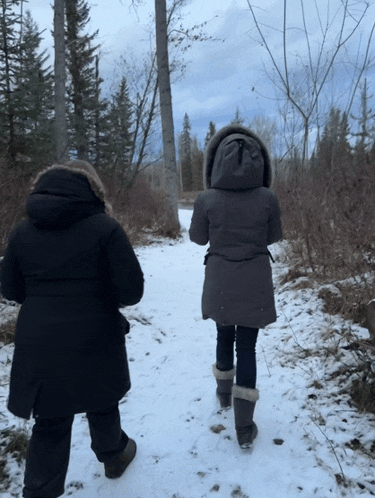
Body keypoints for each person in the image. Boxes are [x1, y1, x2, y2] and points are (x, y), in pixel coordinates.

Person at [0, 160, 144, 498]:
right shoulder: (105, 229)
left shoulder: (21, 232)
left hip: (41, 339)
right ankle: (114, 455)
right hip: (96, 333)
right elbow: (132, 291)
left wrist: (41, 298)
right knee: (103, 399)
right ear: (92, 191)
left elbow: (10, 289)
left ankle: (40, 491)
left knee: (50, 422)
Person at [189, 125, 282, 449]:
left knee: (223, 335)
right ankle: (244, 427)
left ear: (215, 163)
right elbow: (273, 236)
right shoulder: (268, 198)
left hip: (220, 279)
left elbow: (198, 238)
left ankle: (224, 396)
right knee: (247, 347)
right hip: (254, 278)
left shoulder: (206, 199)